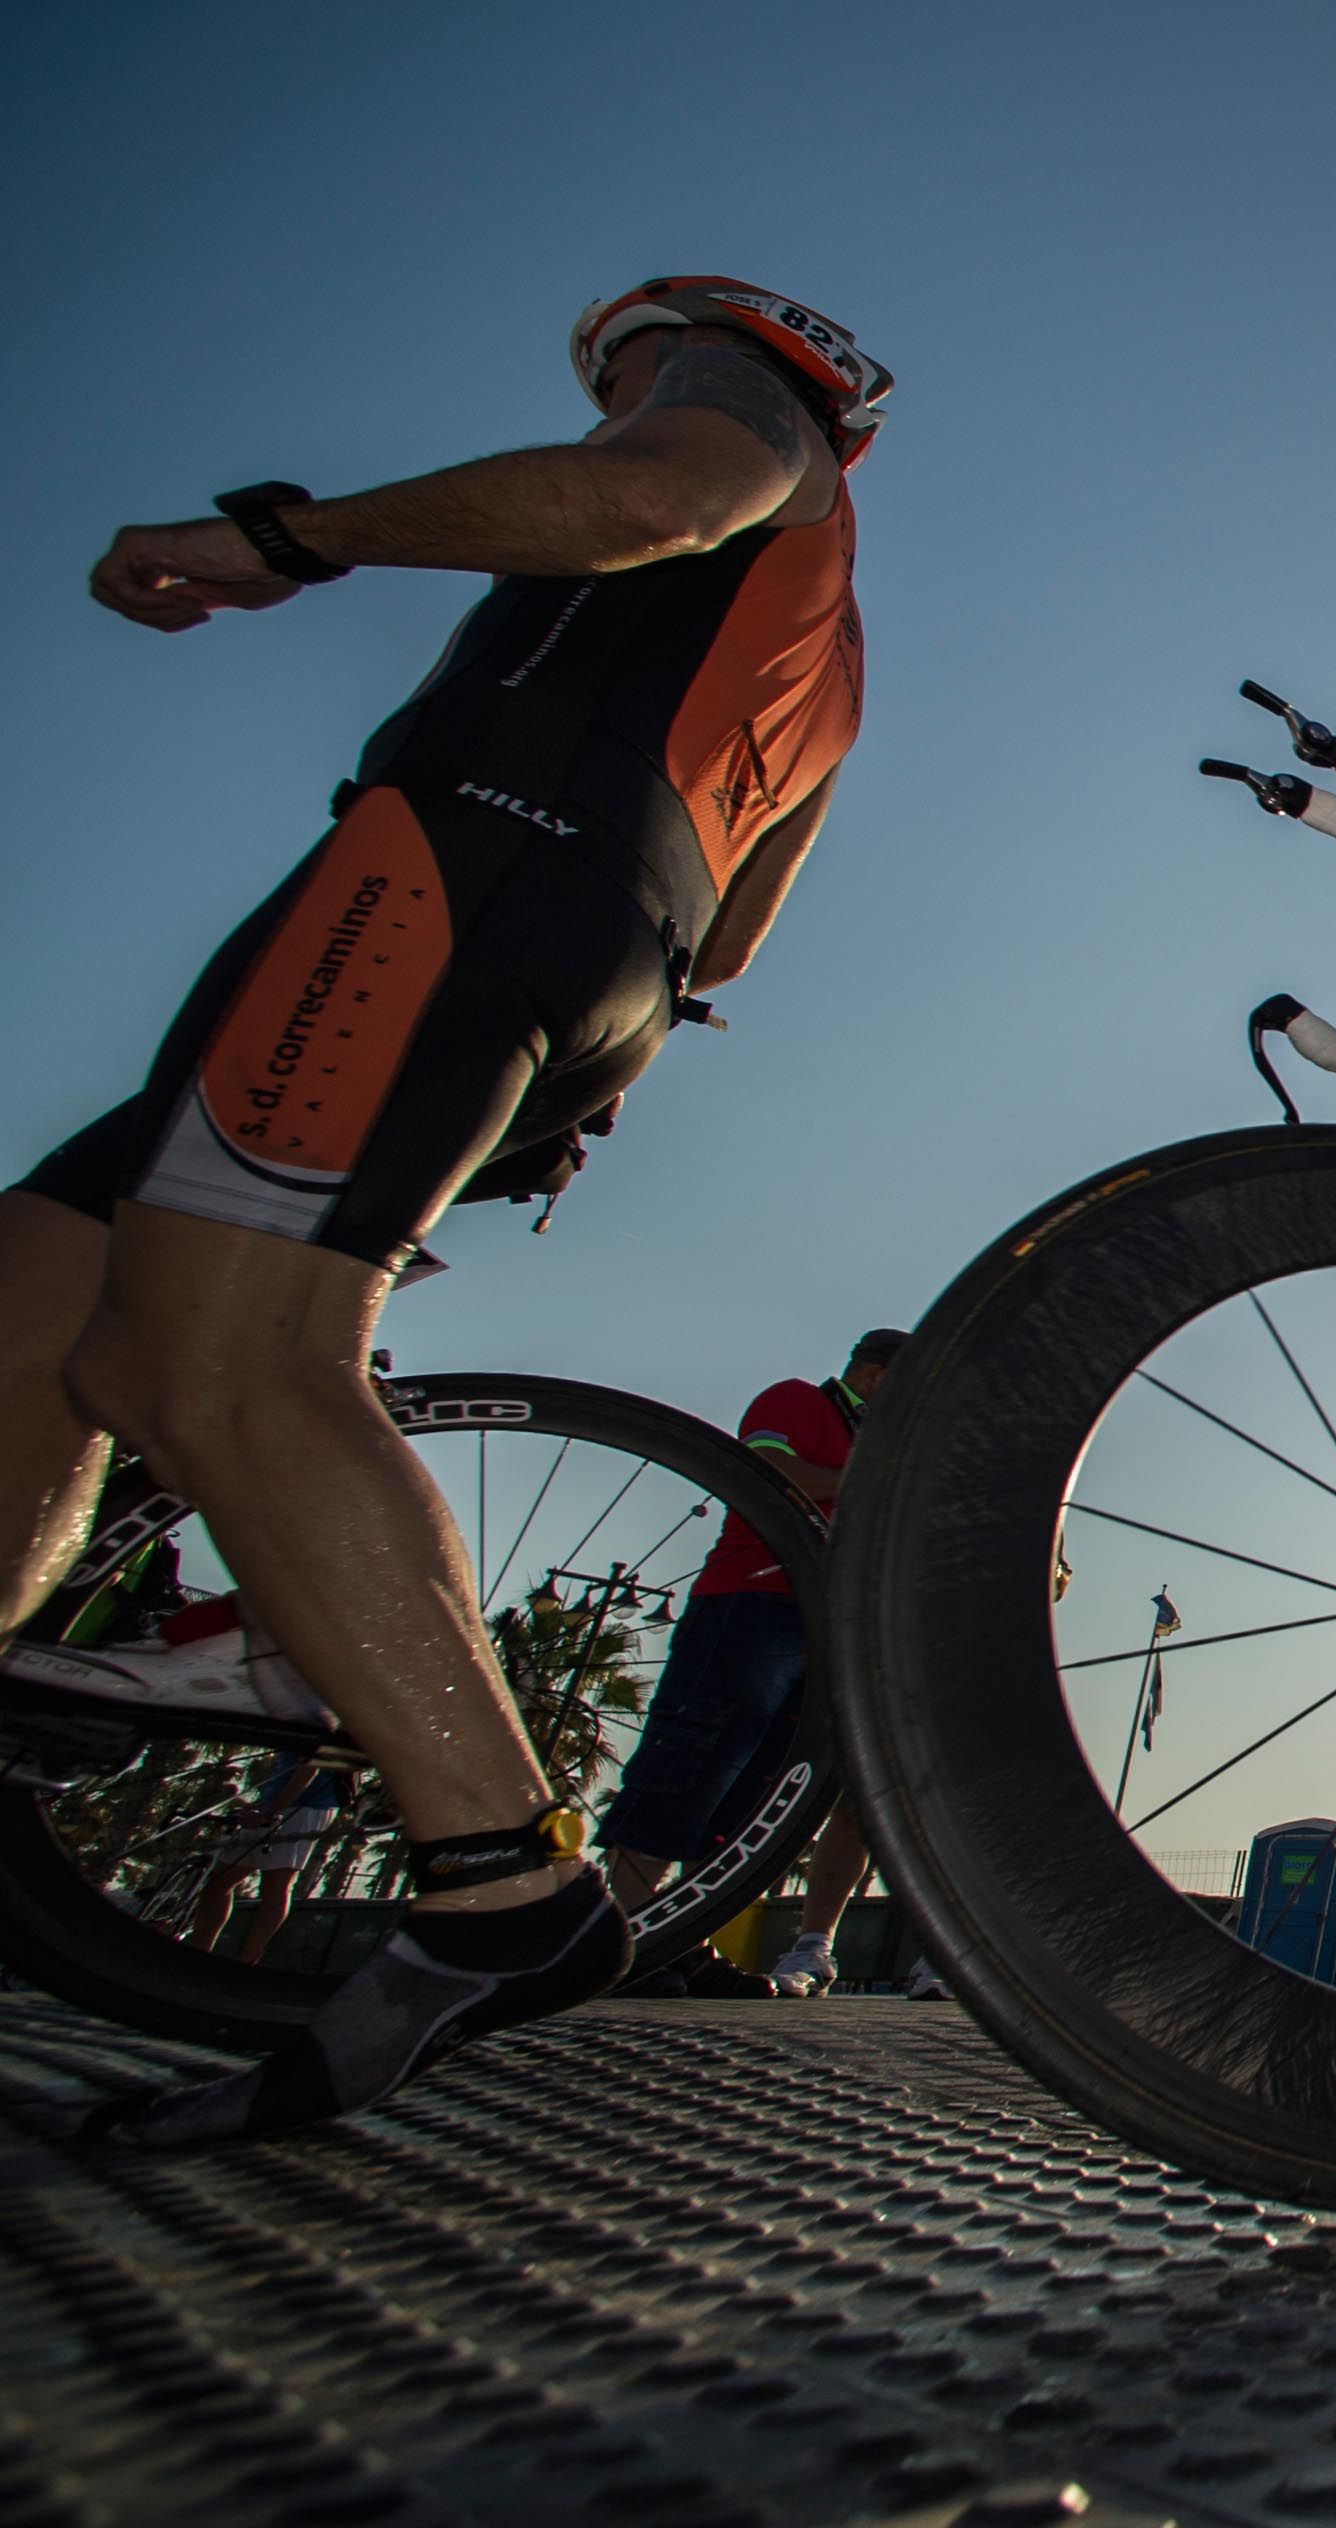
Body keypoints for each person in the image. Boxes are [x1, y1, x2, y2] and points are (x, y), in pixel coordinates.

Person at [0, 276, 886, 2142]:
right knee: (41, 1291)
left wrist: (282, 539)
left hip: (455, 872)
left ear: (669, 345)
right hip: (578, 946)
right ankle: (250, 1628)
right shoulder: (835, 652)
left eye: (613, 376)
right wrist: (584, 1076)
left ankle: (500, 1882)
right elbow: (742, 928)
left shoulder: (740, 411)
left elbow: (639, 503)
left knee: (218, 1361)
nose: (613, 404)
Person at [603, 1328, 903, 1999]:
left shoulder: (875, 1444)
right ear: (879, 1378)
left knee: (760, 1790)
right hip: (750, 1603)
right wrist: (875, 1476)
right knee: (690, 1761)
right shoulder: (798, 1401)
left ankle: (683, 1938)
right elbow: (765, 1472)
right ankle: (623, 1936)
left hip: (826, 1627)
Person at [182, 1755, 348, 1965]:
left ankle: (248, 1959)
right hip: (273, 1802)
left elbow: (309, 1769)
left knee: (275, 1883)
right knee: (219, 1880)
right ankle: (199, 1951)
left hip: (307, 1807)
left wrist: (271, 1812)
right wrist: (261, 1805)